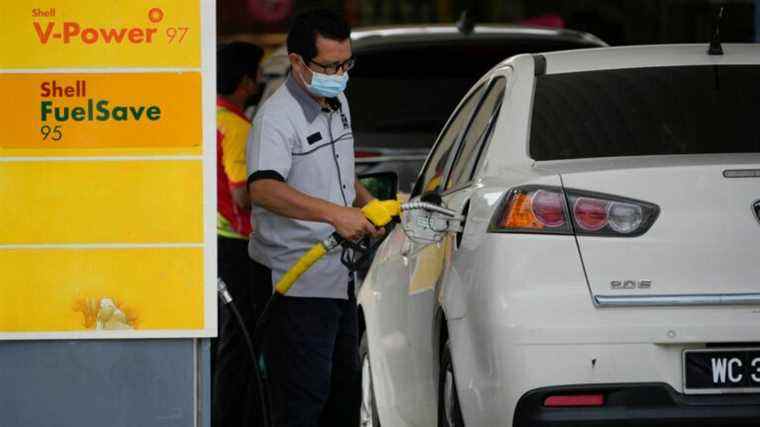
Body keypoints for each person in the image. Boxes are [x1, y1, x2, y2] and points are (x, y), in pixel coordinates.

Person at [246, 9, 383, 427]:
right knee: (303, 403)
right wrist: (334, 215)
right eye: (329, 66)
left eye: (346, 64)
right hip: (296, 284)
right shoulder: (276, 118)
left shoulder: (337, 101)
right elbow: (263, 188)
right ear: (297, 62)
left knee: (344, 396)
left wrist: (366, 204)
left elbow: (339, 172)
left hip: (339, 279)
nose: (340, 74)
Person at [213, 41, 269, 427]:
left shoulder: (210, 116)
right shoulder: (236, 126)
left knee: (226, 339)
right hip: (237, 243)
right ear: (246, 81)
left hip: (214, 241)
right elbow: (241, 194)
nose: (264, 80)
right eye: (260, 73)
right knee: (243, 340)